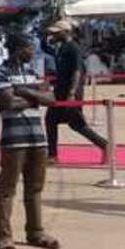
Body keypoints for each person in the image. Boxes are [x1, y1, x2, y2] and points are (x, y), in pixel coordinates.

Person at [0, 33, 60, 249]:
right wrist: (35, 96)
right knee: (7, 190)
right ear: (18, 49)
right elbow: (8, 102)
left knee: (35, 188)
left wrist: (25, 92)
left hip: (38, 138)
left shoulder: (31, 73)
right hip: (13, 140)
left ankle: (36, 231)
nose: (33, 52)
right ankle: (4, 236)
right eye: (30, 48)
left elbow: (51, 99)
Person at [44, 20, 108, 164]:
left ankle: (105, 145)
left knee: (77, 124)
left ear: (66, 32)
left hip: (70, 92)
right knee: (52, 120)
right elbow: (45, 46)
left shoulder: (73, 48)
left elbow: (77, 71)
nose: (53, 35)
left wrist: (72, 93)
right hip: (60, 92)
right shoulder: (61, 48)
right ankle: (52, 155)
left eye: (56, 32)